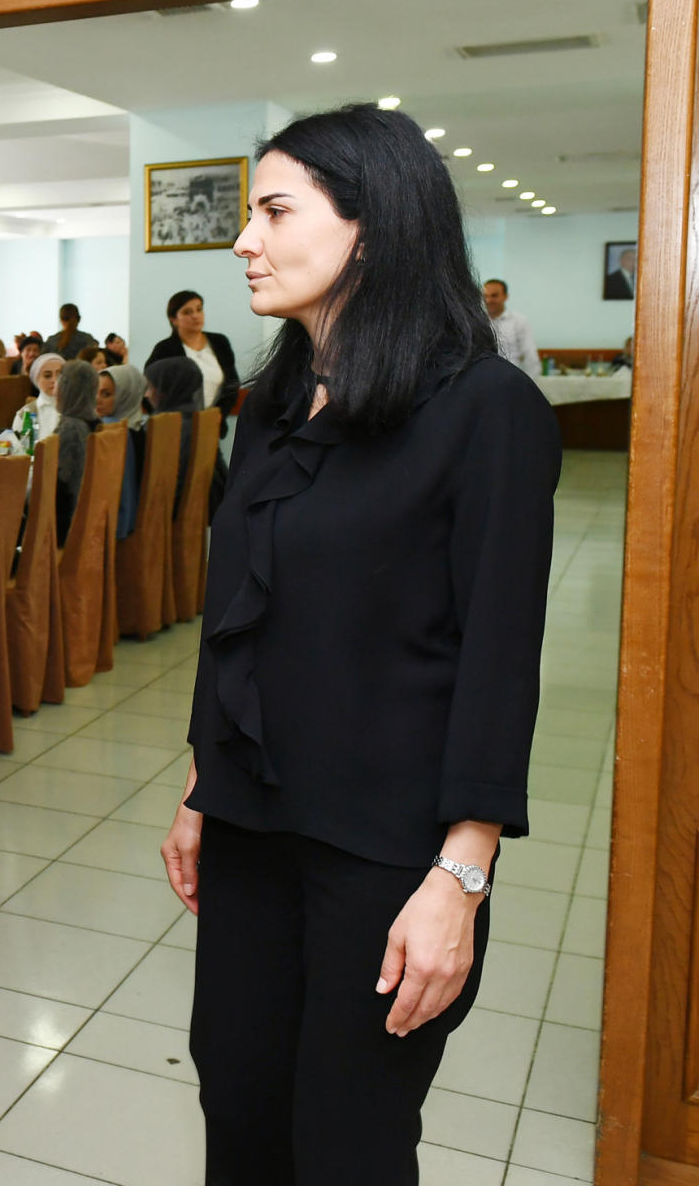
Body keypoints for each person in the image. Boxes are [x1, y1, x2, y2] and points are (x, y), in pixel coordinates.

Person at [161, 103, 559, 1184]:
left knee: (346, 1140)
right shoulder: (276, 399)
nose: (245, 238)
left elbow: (498, 660)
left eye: (275, 210)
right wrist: (205, 777)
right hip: (253, 825)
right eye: (250, 213)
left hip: (388, 851)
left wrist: (460, 877)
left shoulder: (489, 411)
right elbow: (237, 610)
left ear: (372, 229)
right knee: (238, 1101)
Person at [146, 290, 240, 431]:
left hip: (212, 423)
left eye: (199, 309)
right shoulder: (165, 349)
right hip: (176, 427)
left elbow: (232, 385)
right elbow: (148, 388)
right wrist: (165, 419)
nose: (195, 316)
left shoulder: (220, 342)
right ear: (174, 319)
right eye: (187, 312)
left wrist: (219, 414)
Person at [144, 357, 206, 518]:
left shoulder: (166, 425)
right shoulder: (196, 417)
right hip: (194, 510)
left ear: (166, 391)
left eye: (151, 388)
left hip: (163, 515)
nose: (147, 395)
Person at [49, 359, 102, 541]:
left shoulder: (71, 428)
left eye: (59, 382)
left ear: (67, 390)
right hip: (86, 519)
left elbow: (58, 483)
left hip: (64, 527)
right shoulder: (93, 421)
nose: (54, 389)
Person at [98, 362, 147, 539]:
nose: (97, 399)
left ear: (127, 395)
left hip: (118, 526)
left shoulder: (116, 433)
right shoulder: (137, 426)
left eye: (106, 394)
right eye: (96, 391)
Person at [482, 279, 540, 376]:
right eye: (485, 296)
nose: (488, 300)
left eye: (494, 296)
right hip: (483, 379)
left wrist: (528, 386)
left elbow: (530, 357)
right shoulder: (476, 322)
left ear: (505, 297)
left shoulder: (519, 321)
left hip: (511, 379)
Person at [15, 351, 64, 440]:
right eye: (47, 376)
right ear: (36, 379)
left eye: (59, 375)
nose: (54, 380)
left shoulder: (78, 410)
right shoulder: (25, 414)